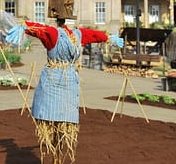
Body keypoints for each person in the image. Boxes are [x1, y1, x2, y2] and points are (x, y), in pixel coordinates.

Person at [19, 18, 110, 163]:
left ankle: (58, 158)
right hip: (52, 81)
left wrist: (108, 38)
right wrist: (25, 27)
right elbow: (41, 30)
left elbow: (93, 35)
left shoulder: (77, 35)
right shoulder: (55, 33)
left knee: (65, 126)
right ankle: (55, 157)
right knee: (51, 124)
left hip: (69, 84)